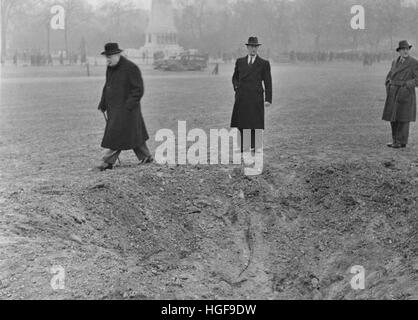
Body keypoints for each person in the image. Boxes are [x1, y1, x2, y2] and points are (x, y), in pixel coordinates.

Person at [94, 43, 153, 172]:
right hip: (114, 108)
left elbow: (138, 90)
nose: (107, 59)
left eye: (110, 56)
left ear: (117, 55)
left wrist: (128, 106)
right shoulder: (110, 67)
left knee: (117, 134)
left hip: (127, 110)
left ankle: (107, 161)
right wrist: (103, 102)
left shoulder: (131, 68)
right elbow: (107, 86)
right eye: (106, 56)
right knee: (134, 135)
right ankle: (146, 156)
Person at [231, 36, 272, 153]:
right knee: (242, 122)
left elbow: (268, 81)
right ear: (247, 48)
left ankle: (256, 146)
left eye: (255, 47)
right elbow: (235, 78)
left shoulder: (264, 63)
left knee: (256, 121)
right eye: (251, 47)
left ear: (257, 48)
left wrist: (268, 99)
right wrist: (237, 87)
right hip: (242, 97)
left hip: (256, 97)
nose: (253, 49)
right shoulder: (240, 62)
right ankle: (244, 146)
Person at [383, 40, 418, 149]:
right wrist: (388, 83)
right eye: (403, 49)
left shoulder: (414, 62)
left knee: (403, 118)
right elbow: (390, 75)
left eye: (407, 49)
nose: (405, 51)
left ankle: (402, 141)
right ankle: (395, 140)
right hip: (393, 93)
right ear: (399, 51)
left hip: (405, 93)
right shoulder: (394, 62)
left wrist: (407, 85)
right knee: (393, 118)